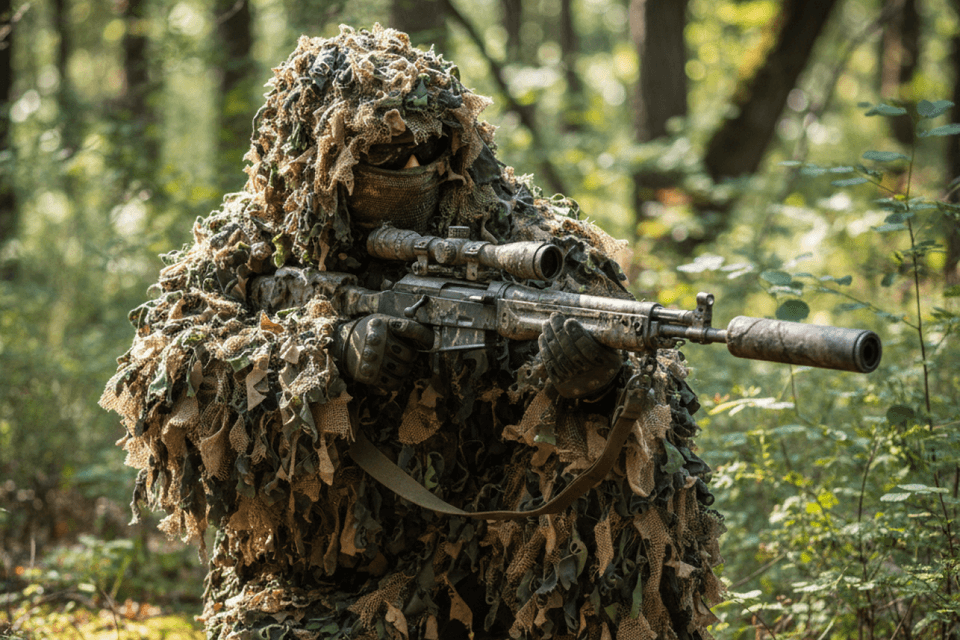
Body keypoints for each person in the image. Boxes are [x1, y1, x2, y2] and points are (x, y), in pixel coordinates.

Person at [100, 24, 723, 640]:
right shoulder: (252, 244)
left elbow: (638, 356)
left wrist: (597, 386)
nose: (414, 168)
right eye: (387, 155)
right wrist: (328, 356)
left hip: (485, 555)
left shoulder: (522, 236)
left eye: (429, 151)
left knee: (631, 444)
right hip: (311, 580)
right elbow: (161, 388)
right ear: (320, 159)